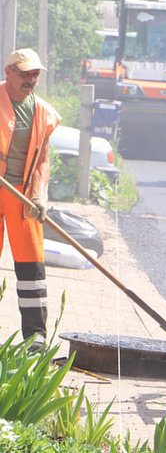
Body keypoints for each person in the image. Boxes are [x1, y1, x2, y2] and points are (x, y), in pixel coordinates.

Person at [0, 49, 61, 351]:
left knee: (32, 266)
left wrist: (39, 195)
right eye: (25, 73)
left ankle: (35, 341)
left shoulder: (43, 113)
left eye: (35, 74)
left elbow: (43, 161)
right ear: (8, 71)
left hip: (21, 196)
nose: (31, 79)